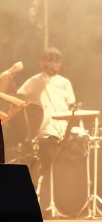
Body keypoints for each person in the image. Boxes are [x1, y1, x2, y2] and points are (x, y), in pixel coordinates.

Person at [17, 49, 76, 185]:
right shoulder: (35, 80)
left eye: (59, 62)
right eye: (54, 61)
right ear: (46, 62)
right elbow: (20, 96)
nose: (58, 65)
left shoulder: (64, 82)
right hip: (45, 130)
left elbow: (71, 105)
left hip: (63, 129)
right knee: (48, 162)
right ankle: (45, 195)